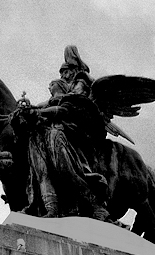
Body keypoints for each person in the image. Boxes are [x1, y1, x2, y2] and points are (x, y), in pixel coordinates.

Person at [14, 76, 110, 220]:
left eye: (51, 84)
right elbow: (35, 113)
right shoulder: (45, 104)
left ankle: (96, 206)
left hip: (57, 136)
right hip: (38, 138)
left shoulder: (70, 100)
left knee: (66, 171)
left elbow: (62, 111)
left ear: (59, 85)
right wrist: (25, 110)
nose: (49, 87)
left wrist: (36, 112)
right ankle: (51, 209)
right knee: (41, 175)